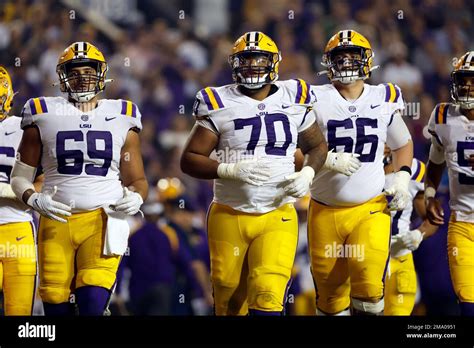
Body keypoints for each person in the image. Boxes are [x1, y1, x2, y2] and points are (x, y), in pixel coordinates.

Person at [181, 31, 328, 315]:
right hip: (229, 212)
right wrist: (228, 169)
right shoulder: (218, 101)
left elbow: (318, 146)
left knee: (268, 292)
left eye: (258, 60)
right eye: (246, 60)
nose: (251, 66)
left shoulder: (294, 96)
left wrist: (308, 173)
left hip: (278, 212)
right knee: (228, 299)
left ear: (273, 62)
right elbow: (189, 159)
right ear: (235, 64)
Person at [10, 42, 148, 315]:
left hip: (103, 219)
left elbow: (138, 180)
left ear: (101, 74)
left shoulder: (123, 115)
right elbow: (20, 177)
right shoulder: (42, 112)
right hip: (56, 220)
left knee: (92, 304)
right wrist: (34, 198)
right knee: (55, 305)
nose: (82, 77)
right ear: (63, 77)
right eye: (75, 72)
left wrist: (136, 197)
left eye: (89, 70)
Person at [308, 30, 413, 315]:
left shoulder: (383, 96)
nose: (345, 63)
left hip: (370, 207)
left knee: (368, 291)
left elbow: (402, 144)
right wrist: (326, 160)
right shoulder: (313, 98)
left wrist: (402, 178)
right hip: (324, 210)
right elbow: (290, 148)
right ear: (328, 62)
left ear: (367, 61)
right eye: (339, 58)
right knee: (330, 300)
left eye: (352, 57)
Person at [425, 51, 474, 316]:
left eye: (473, 80)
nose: (467, 86)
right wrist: (430, 195)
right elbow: (435, 160)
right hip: (463, 224)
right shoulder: (444, 116)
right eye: (463, 80)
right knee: (468, 305)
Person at [0, 66, 43, 315]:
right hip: (18, 230)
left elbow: (44, 178)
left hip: (19, 227)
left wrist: (23, 193)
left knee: (20, 313)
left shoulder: (23, 129)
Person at [383, 146, 438, 315]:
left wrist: (418, 234)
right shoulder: (361, 168)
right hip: (364, 254)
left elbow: (433, 218)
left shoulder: (416, 169)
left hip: (399, 255)